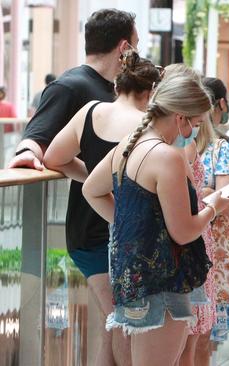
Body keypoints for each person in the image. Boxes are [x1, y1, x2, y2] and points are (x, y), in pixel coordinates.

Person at [8, 9, 138, 365]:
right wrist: (94, 181)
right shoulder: (71, 86)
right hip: (94, 232)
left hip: (120, 228)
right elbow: (36, 140)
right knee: (123, 324)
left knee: (116, 326)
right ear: (124, 47)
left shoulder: (118, 91)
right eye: (136, 46)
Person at [82, 75, 229, 365]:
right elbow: (183, 232)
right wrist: (213, 207)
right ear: (181, 118)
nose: (195, 131)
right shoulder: (167, 157)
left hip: (134, 278)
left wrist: (136, 228)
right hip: (163, 280)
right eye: (197, 123)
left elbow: (92, 189)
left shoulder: (130, 144)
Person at [43, 50, 158, 366]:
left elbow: (54, 158)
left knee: (114, 322)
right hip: (127, 233)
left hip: (84, 228)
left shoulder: (90, 112)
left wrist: (91, 180)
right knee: (124, 323)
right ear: (150, 92)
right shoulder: (147, 125)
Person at [180, 78, 229, 366]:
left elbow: (225, 195)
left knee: (199, 333)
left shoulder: (218, 148)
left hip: (207, 250)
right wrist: (208, 193)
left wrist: (207, 194)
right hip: (180, 246)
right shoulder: (166, 148)